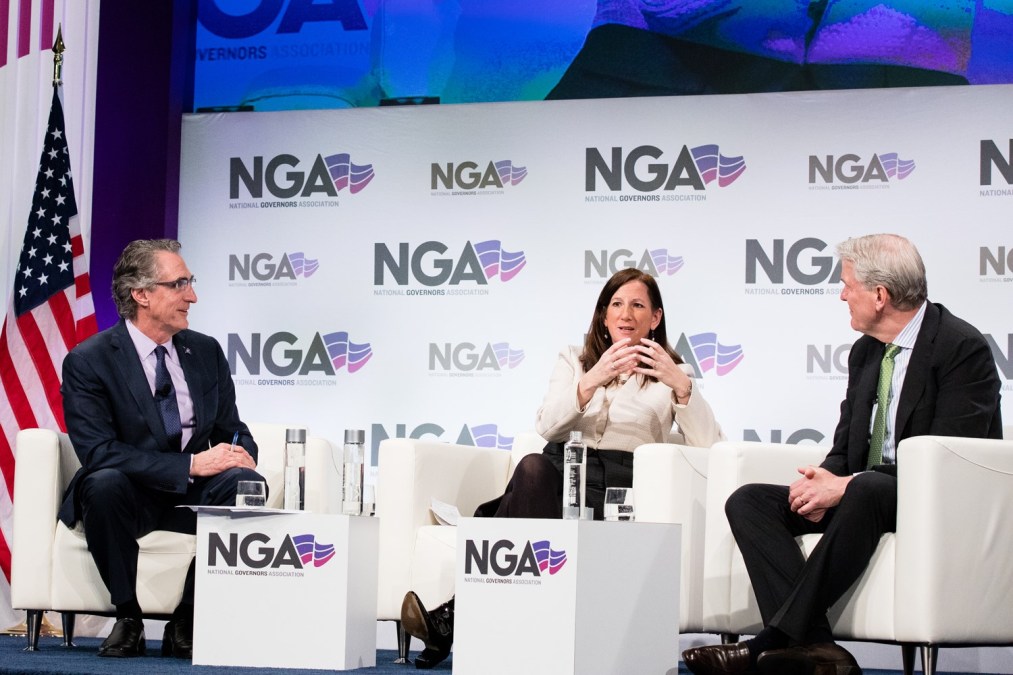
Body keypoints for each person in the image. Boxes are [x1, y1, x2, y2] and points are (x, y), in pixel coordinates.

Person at [682, 234, 1003, 675]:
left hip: (930, 501)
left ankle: (771, 642)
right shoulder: (866, 352)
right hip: (865, 497)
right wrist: (823, 481)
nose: (841, 294)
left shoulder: (960, 348)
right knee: (750, 500)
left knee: (867, 486)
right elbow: (847, 443)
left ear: (880, 294)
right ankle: (818, 649)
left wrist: (846, 485)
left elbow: (947, 455)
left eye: (847, 284)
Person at [401, 267, 726, 669]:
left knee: (524, 492)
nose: (626, 314)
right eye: (616, 304)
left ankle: (452, 616)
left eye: (638, 305)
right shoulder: (574, 359)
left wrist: (681, 386)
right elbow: (547, 425)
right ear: (604, 316)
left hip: (623, 489)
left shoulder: (672, 373)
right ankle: (508, 622)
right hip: (562, 474)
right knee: (534, 469)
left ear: (655, 318)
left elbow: (711, 447)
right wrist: (591, 381)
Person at [59, 239, 264, 659]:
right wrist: (191, 464)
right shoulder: (90, 359)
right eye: (180, 284)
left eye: (190, 283)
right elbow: (98, 451)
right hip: (127, 493)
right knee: (103, 482)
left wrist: (241, 453)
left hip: (188, 495)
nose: (192, 295)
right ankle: (128, 617)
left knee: (244, 484)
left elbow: (233, 429)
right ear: (142, 295)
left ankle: (186, 619)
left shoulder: (204, 351)